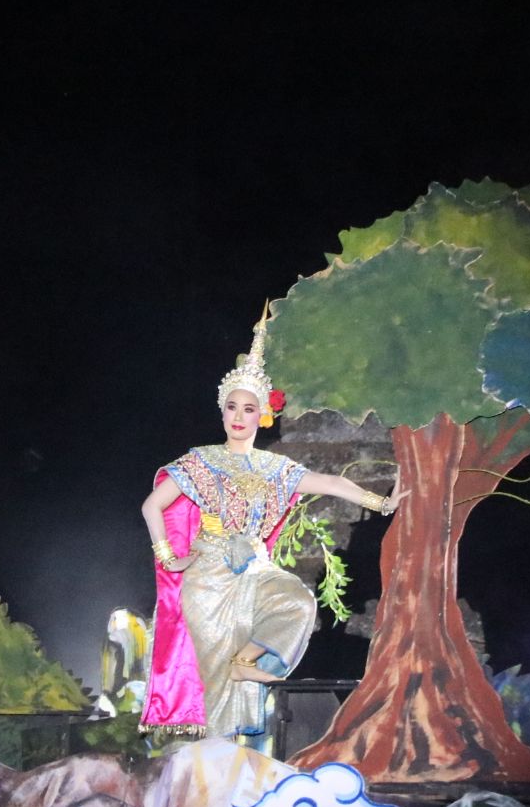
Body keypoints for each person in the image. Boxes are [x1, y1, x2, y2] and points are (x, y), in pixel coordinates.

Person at [139, 313, 405, 741]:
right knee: (217, 687)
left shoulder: (275, 468)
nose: (238, 416)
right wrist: (169, 557)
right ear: (222, 410)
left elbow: (332, 483)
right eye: (232, 407)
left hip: (255, 570)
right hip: (206, 579)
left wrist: (383, 502)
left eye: (249, 409)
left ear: (262, 415)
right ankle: (215, 764)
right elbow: (153, 505)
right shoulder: (202, 460)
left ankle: (247, 661)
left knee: (298, 602)